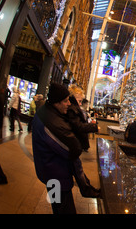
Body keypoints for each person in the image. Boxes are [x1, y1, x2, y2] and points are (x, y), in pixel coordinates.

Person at [32, 83, 97, 214]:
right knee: (63, 209)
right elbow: (73, 149)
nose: (69, 104)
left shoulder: (48, 111)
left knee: (57, 206)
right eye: (65, 101)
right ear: (56, 102)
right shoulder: (52, 123)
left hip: (51, 173)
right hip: (56, 177)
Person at [67, 85, 98, 152]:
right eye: (79, 101)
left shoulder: (73, 108)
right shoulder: (72, 109)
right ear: (74, 98)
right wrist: (94, 127)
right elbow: (78, 126)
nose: (80, 104)